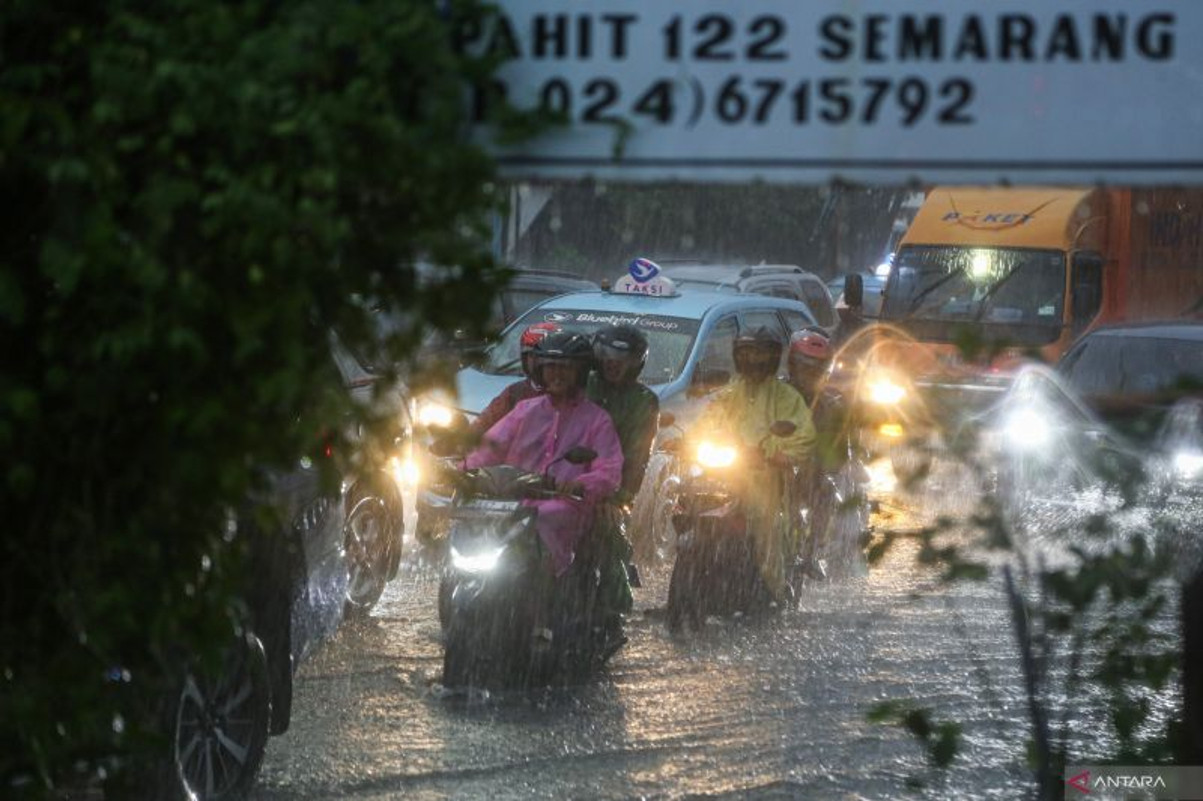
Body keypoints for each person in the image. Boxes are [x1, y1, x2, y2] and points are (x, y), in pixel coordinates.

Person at [465, 331, 623, 578]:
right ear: (540, 370)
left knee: (543, 518)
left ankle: (544, 582)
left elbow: (609, 470)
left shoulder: (597, 420)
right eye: (550, 367)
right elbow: (490, 447)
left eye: (565, 368)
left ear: (580, 373)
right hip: (512, 500)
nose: (557, 374)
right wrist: (464, 471)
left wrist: (578, 485)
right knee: (470, 518)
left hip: (564, 505)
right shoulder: (525, 410)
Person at [692, 326, 816, 601]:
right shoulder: (726, 396)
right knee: (690, 506)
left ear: (773, 358)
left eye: (760, 354)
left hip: (767, 478)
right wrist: (687, 444)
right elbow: (705, 425)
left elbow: (802, 434)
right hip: (725, 475)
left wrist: (778, 453)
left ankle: (776, 588)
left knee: (766, 528)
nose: (754, 360)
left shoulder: (787, 397)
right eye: (748, 353)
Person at [586, 324, 660, 611]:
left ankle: (612, 610)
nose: (612, 362)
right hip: (562, 482)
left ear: (637, 362)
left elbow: (638, 456)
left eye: (622, 357)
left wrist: (619, 499)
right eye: (605, 353)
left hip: (608, 492)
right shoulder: (581, 384)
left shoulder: (643, 401)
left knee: (608, 544)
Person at [470, 322, 558, 435]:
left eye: (543, 356)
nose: (536, 362)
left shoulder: (572, 395)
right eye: (531, 355)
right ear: (524, 358)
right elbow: (482, 426)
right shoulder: (514, 393)